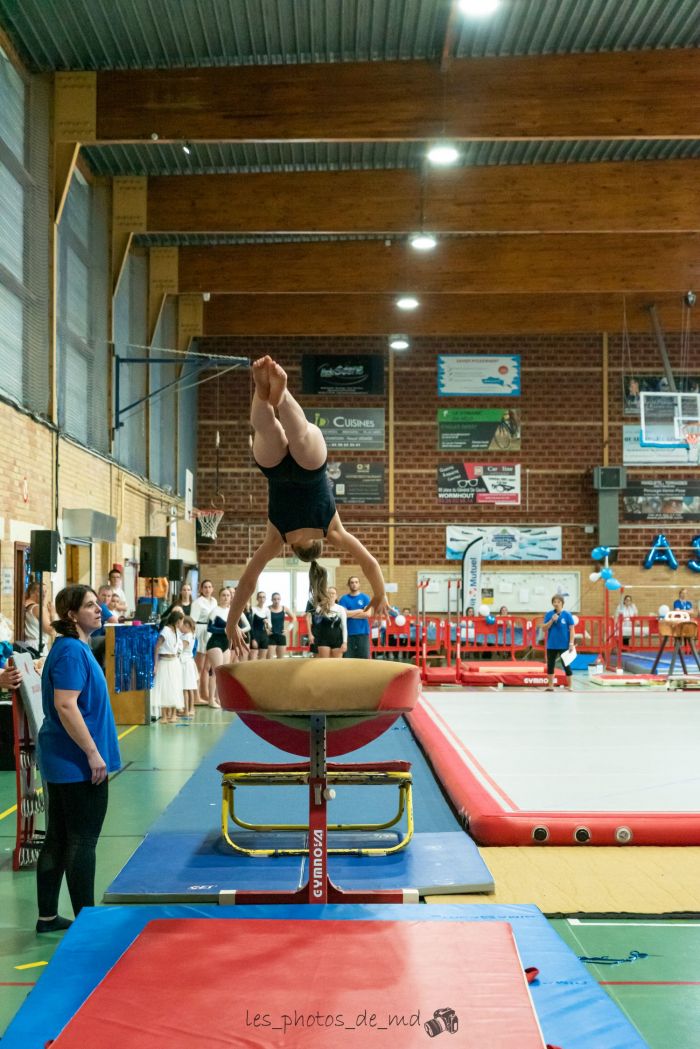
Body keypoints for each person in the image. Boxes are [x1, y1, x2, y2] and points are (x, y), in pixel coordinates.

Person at [225, 357, 389, 656]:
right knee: (265, 429)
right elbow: (247, 581)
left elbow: (370, 563)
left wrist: (379, 594)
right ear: (296, 550)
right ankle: (264, 393)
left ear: (315, 545)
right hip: (276, 472)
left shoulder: (331, 529)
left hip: (312, 469)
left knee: (299, 433)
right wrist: (231, 622)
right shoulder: (278, 538)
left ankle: (282, 396)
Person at [35, 585, 121, 933]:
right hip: (75, 763)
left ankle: (48, 917)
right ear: (72, 615)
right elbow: (65, 705)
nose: (98, 609)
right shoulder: (71, 651)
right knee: (82, 840)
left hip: (65, 759)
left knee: (58, 837)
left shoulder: (74, 647)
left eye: (97, 603)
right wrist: (92, 753)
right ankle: (88, 920)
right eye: (89, 605)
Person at [207, 588, 249, 706]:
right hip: (215, 643)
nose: (226, 597)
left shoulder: (232, 611)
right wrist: (225, 630)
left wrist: (238, 631)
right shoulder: (215, 611)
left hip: (227, 644)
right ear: (219, 597)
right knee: (216, 672)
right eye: (223, 595)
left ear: (231, 598)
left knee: (223, 672)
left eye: (228, 595)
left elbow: (244, 626)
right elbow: (210, 628)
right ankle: (211, 699)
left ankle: (218, 698)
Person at [151, 609, 185, 723]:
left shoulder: (176, 632)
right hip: (164, 662)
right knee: (165, 689)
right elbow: (157, 647)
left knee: (175, 687)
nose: (181, 624)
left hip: (174, 662)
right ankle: (165, 715)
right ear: (177, 621)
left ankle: (173, 714)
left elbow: (178, 645)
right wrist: (155, 665)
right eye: (181, 622)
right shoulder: (165, 631)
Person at [307, 571, 347, 659]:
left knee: (337, 665)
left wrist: (344, 642)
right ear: (325, 595)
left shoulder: (340, 609)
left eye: (333, 593)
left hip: (337, 639)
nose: (331, 595)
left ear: (336, 596)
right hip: (323, 639)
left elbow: (344, 626)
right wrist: (311, 634)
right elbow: (310, 617)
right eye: (329, 593)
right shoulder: (319, 608)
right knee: (324, 664)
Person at [542, 595, 575, 691]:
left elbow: (572, 629)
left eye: (558, 602)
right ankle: (550, 686)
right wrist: (552, 620)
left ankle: (570, 686)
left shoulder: (567, 615)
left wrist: (571, 643)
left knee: (566, 665)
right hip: (551, 644)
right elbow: (544, 629)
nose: (556, 603)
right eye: (554, 602)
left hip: (564, 644)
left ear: (562, 603)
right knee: (550, 665)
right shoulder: (549, 614)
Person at [338, 575, 372, 659]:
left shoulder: (365, 598)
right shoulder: (344, 599)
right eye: (352, 582)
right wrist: (360, 610)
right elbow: (343, 615)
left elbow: (367, 614)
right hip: (348, 634)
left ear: (359, 584)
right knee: (348, 659)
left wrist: (349, 614)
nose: (354, 584)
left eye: (356, 582)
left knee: (364, 658)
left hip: (363, 633)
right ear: (349, 585)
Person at [24, 581, 54, 657]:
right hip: (38, 647)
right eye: (41, 591)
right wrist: (53, 615)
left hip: (26, 645)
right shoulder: (38, 608)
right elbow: (51, 631)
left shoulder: (25, 605)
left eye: (45, 592)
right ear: (32, 592)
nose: (44, 595)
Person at [178, 615, 198, 718]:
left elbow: (181, 648)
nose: (180, 627)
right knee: (190, 687)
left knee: (185, 688)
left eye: (181, 625)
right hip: (188, 662)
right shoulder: (191, 634)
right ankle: (191, 708)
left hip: (185, 663)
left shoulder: (187, 636)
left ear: (186, 625)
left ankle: (186, 710)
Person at [268, 592, 293, 658]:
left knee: (280, 659)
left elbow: (294, 618)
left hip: (281, 636)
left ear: (280, 599)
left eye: (278, 599)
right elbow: (261, 620)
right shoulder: (267, 609)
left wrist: (288, 629)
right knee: (269, 659)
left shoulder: (284, 608)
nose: (276, 601)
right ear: (272, 600)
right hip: (271, 636)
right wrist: (266, 630)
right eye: (274, 599)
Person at [249, 590, 272, 660]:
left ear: (265, 599)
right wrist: (253, 639)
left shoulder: (267, 610)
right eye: (260, 597)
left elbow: (270, 626)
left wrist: (267, 623)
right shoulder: (253, 609)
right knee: (253, 659)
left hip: (264, 636)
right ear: (257, 599)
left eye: (263, 597)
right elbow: (250, 625)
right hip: (255, 636)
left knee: (262, 659)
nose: (262, 599)